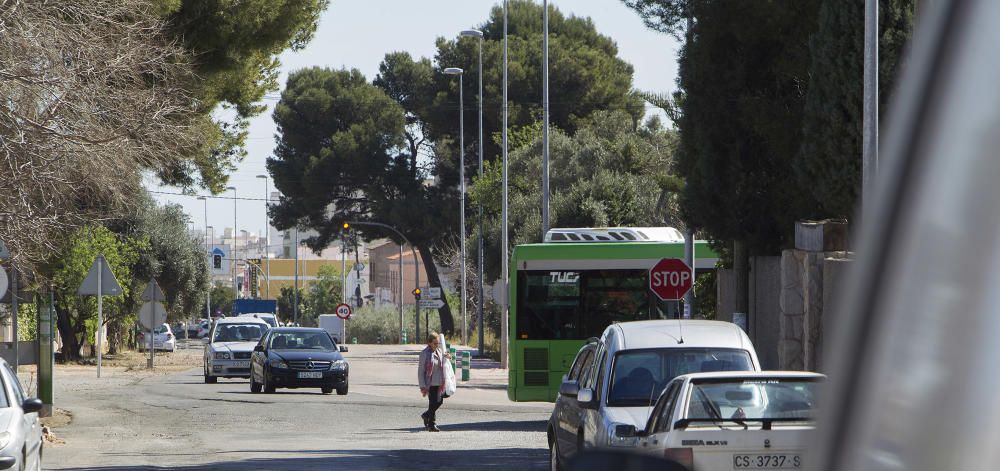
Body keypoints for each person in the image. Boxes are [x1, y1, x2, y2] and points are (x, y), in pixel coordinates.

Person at [418, 332, 450, 432]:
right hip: (430, 383)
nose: (437, 345)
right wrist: (422, 386)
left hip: (440, 382)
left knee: (439, 402)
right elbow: (420, 371)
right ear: (429, 343)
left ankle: (426, 415)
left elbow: (444, 363)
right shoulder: (425, 354)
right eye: (435, 343)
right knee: (432, 403)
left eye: (438, 343)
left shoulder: (439, 351)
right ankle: (432, 424)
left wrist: (448, 357)